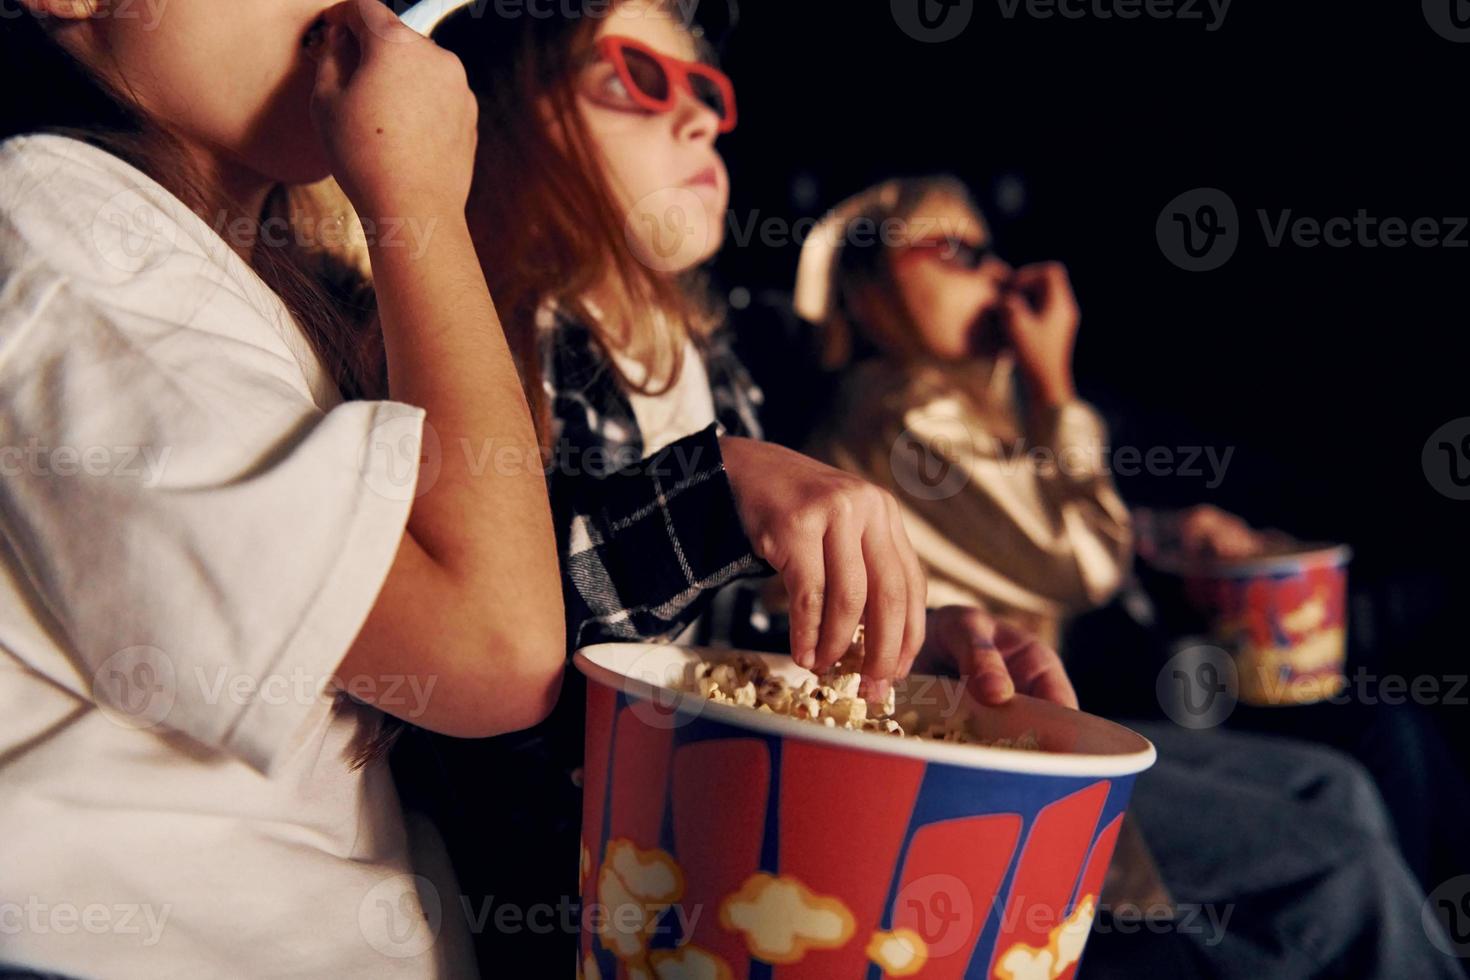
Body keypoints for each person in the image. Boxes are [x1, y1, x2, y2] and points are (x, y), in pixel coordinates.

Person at [417, 3, 1082, 972]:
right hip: (604, 903)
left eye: (705, 92)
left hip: (753, 843)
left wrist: (882, 642)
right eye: (636, 78)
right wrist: (711, 490)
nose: (700, 119)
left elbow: (696, 646)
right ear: (497, 112)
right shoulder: (497, 351)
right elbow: (512, 667)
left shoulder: (708, 362)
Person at [0, 1, 563, 975]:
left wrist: (708, 481)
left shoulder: (226, 272)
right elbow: (496, 648)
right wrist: (419, 206)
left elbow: (440, 531)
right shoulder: (58, 233)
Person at [791, 175, 1466, 978]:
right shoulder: (898, 413)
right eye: (956, 252)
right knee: (1344, 865)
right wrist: (1054, 385)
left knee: (1340, 785)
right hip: (962, 754)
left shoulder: (958, 406)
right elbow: (1086, 563)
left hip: (1030, 720)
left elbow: (1059, 526)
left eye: (992, 250)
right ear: (865, 298)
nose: (1000, 275)